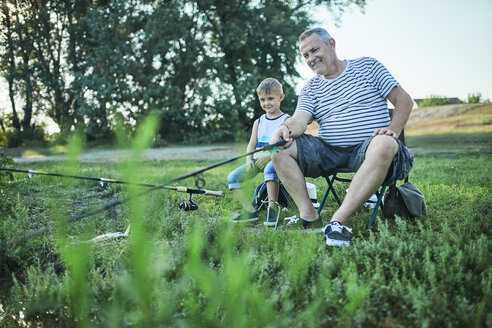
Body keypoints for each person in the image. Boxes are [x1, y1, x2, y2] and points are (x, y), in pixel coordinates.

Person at [270, 28, 414, 246]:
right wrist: (284, 128)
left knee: (385, 143)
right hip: (328, 152)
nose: (310, 58)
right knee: (276, 146)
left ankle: (338, 222)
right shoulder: (310, 89)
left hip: (370, 149)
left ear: (331, 44)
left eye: (314, 49)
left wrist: (393, 129)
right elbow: (299, 120)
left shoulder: (368, 66)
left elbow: (403, 100)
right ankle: (309, 217)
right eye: (305, 55)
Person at [227, 78, 291, 226]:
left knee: (270, 170)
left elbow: (286, 145)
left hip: (275, 160)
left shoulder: (286, 120)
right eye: (262, 99)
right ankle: (250, 211)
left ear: (281, 97)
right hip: (256, 161)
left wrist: (269, 157)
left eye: (270, 98)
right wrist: (249, 160)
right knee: (233, 178)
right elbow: (251, 145)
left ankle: (272, 207)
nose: (266, 103)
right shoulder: (259, 121)